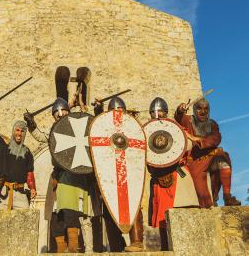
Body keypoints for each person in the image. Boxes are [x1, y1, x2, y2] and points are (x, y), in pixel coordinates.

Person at [24, 96, 98, 253]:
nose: (61, 115)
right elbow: (41, 137)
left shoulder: (78, 127)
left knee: (83, 214)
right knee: (58, 213)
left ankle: (87, 249)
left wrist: (93, 109)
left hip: (79, 176)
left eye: (64, 111)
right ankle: (62, 248)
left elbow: (92, 127)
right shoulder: (55, 132)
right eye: (57, 113)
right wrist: (32, 124)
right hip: (60, 177)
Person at [147, 97, 199, 250]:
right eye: (154, 112)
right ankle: (166, 249)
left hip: (179, 175)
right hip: (159, 178)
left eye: (161, 112)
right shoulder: (148, 133)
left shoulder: (177, 128)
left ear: (166, 112)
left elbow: (189, 144)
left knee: (183, 213)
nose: (158, 115)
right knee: (162, 218)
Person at [94, 96, 144, 253]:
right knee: (109, 210)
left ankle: (137, 241)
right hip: (109, 174)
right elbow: (97, 134)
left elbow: (139, 145)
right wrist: (98, 110)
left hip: (130, 172)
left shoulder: (132, 126)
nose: (118, 113)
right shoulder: (106, 127)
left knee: (134, 205)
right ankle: (117, 246)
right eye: (114, 110)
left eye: (120, 110)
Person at [175, 98, 241, 208]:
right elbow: (178, 117)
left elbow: (216, 138)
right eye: (199, 108)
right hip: (195, 162)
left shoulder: (212, 124)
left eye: (206, 109)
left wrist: (198, 140)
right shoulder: (188, 120)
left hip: (211, 157)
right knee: (205, 202)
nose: (203, 111)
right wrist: (180, 109)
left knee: (223, 159)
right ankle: (210, 202)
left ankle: (227, 197)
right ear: (195, 110)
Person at [0, 103, 36, 210]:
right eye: (17, 130)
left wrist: (32, 188)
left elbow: (29, 173)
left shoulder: (27, 153)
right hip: (2, 192)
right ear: (13, 131)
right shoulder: (1, 145)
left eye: (22, 131)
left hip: (20, 194)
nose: (19, 133)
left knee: (25, 222)